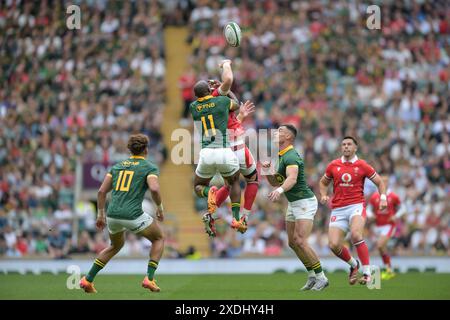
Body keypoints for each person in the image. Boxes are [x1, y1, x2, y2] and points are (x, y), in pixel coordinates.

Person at [80, 134, 165, 293]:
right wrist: (159, 208)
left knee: (115, 246)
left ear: (129, 150)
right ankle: (150, 278)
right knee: (159, 238)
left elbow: (101, 192)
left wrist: (100, 215)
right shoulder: (149, 167)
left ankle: (87, 279)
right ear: (146, 150)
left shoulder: (117, 166)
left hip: (112, 215)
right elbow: (154, 188)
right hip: (132, 215)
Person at [190, 60, 254, 236]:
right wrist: (226, 67)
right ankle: (235, 217)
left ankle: (208, 192)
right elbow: (235, 102)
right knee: (233, 183)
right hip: (225, 152)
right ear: (210, 92)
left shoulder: (193, 107)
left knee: (197, 186)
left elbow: (207, 99)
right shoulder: (221, 103)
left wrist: (214, 92)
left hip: (206, 154)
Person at [262, 125, 329, 291]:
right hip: (294, 203)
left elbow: (291, 179)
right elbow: (275, 181)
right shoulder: (282, 155)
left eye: (280, 131)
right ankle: (312, 276)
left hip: (304, 202)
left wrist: (279, 190)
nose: (276, 133)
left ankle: (322, 277)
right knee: (292, 242)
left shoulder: (291, 155)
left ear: (289, 137)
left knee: (300, 240)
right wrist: (267, 170)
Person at [319, 136, 387, 285]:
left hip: (356, 205)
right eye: (343, 144)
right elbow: (323, 182)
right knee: (333, 245)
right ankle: (354, 265)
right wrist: (323, 195)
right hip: (337, 209)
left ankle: (367, 273)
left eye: (349, 144)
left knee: (356, 235)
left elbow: (380, 182)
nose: (346, 147)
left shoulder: (362, 165)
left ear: (355, 148)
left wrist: (383, 198)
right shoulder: (333, 165)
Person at [367, 175, 404, 280]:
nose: (384, 183)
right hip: (378, 226)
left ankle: (388, 269)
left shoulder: (393, 196)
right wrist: (371, 215)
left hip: (389, 225)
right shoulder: (374, 196)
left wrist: (396, 216)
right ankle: (389, 270)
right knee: (381, 248)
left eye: (385, 181)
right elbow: (369, 209)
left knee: (379, 245)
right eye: (382, 181)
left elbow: (403, 208)